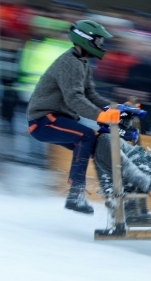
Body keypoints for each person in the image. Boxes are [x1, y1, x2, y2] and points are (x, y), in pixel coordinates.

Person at [26, 19, 121, 215]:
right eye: (99, 41)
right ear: (86, 40)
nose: (102, 46)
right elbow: (74, 99)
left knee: (97, 144)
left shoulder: (82, 63)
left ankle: (111, 194)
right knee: (86, 136)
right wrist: (101, 116)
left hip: (58, 119)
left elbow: (90, 94)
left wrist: (117, 108)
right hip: (44, 120)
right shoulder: (70, 62)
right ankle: (75, 194)